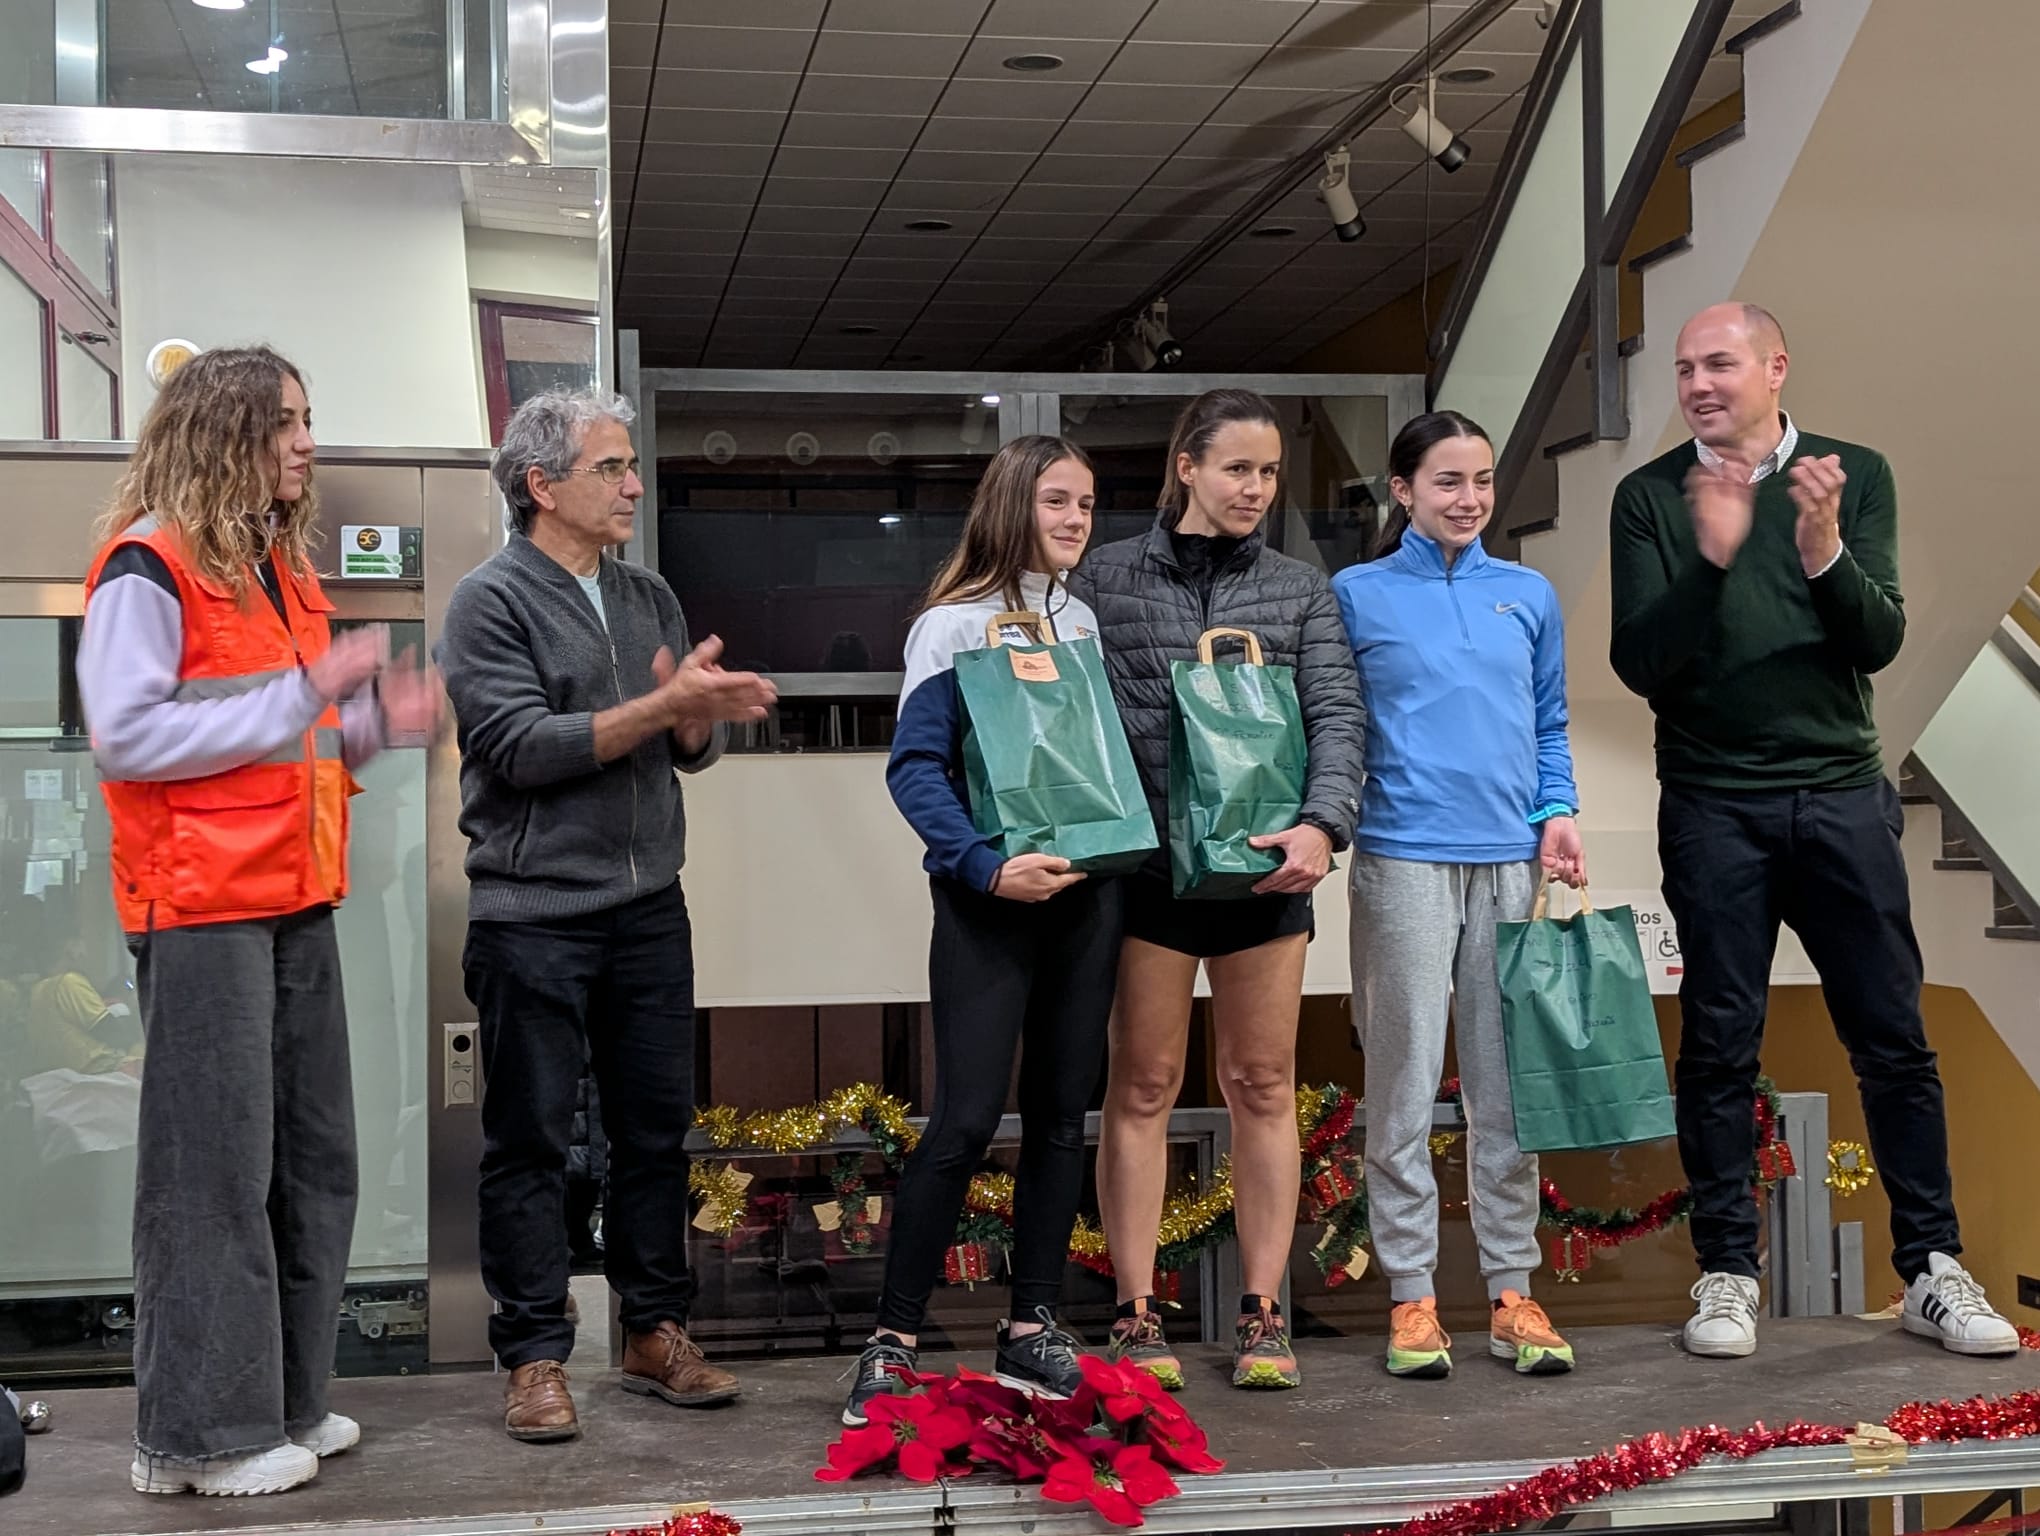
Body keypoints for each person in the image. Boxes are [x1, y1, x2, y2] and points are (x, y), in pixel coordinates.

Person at [1609, 302, 2017, 1359]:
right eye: (1687, 367)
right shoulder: (1649, 497)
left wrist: (1825, 548)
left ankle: (1931, 1267)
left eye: (1721, 363)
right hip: (1713, 806)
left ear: (1777, 368)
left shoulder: (1854, 474)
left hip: (1841, 796)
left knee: (1893, 1039)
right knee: (1719, 1045)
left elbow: (1876, 641)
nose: (1699, 383)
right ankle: (1727, 1274)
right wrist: (1709, 557)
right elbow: (1643, 666)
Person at [78, 345, 442, 1497]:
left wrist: (381, 722)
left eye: (306, 418)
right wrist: (306, 697)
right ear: (221, 431)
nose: (305, 440)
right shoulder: (149, 563)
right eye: (285, 421)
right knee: (211, 1177)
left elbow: (290, 737)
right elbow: (127, 734)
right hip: (199, 910)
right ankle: (198, 1439)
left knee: (313, 1164)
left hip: (293, 901)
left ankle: (282, 1404)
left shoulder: (276, 570)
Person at [437, 389, 777, 1444]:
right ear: (542, 486)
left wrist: (696, 721)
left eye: (633, 467)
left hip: (645, 909)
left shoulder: (649, 597)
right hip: (532, 914)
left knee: (653, 1136)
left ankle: (653, 1330)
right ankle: (535, 1355)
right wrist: (660, 712)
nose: (634, 485)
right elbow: (520, 747)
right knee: (530, 1141)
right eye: (612, 468)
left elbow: (690, 750)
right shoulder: (487, 603)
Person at [1072, 388, 1365, 1391]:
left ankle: (1263, 1314)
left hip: (1267, 875)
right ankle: (1135, 1315)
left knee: (1262, 1087)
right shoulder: (1104, 579)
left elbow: (1337, 715)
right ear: (1186, 467)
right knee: (1143, 1086)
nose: (1256, 488)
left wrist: (1324, 828)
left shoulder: (1300, 590)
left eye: (1271, 471)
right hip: (1147, 877)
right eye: (1237, 467)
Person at [840, 436, 1121, 1428]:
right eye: (1057, 501)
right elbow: (915, 769)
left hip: (1087, 896)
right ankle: (892, 1340)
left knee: (1059, 1118)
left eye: (1088, 503)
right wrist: (986, 865)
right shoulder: (952, 627)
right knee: (962, 1121)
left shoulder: (1081, 618)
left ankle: (1030, 1328)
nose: (1078, 520)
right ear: (1012, 504)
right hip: (988, 898)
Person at [1332, 411, 1584, 1381]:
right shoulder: (1355, 595)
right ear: (1402, 491)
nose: (1469, 498)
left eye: (1480, 480)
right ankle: (1412, 1299)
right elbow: (1334, 723)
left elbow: (1551, 722)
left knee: (1504, 1089)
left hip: (1511, 863)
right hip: (1400, 860)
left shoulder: (1527, 594)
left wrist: (1557, 809)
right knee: (1399, 1084)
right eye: (1447, 481)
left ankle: (1513, 1293)